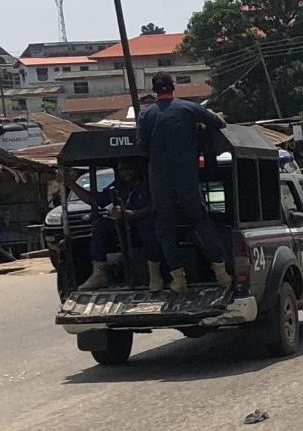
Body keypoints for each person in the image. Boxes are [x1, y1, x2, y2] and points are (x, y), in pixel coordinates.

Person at [137, 73, 231, 293]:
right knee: (200, 221)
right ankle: (221, 274)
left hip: (160, 183)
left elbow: (142, 148)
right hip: (187, 180)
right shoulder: (188, 108)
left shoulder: (146, 115)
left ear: (155, 91)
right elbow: (219, 123)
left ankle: (178, 279)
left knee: (165, 229)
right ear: (173, 87)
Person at [74, 161, 162, 291]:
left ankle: (155, 275)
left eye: (128, 168)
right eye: (121, 170)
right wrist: (70, 183)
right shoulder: (120, 186)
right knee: (101, 225)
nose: (125, 173)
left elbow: (155, 207)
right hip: (125, 228)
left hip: (150, 226)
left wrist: (129, 213)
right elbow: (95, 200)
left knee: (147, 227)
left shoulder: (151, 184)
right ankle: (100, 274)